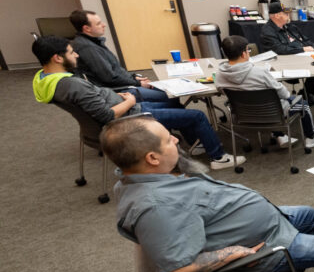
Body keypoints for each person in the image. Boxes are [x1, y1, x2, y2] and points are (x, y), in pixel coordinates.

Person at [102, 117, 314, 272]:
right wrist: (233, 253)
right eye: (168, 139)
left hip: (264, 229)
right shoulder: (156, 207)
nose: (175, 139)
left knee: (308, 215)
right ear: (151, 158)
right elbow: (176, 267)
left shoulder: (140, 177)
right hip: (258, 253)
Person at [31, 35, 243, 170]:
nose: (76, 54)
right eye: (71, 52)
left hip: (126, 109)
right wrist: (131, 98)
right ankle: (219, 157)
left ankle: (197, 144)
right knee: (197, 115)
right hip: (129, 119)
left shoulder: (44, 79)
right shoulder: (72, 85)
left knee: (175, 103)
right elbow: (106, 115)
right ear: (57, 58)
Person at [215, 34, 314, 149]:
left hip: (242, 114)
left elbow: (222, 91)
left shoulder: (219, 75)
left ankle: (280, 135)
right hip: (271, 113)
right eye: (248, 50)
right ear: (243, 54)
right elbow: (284, 94)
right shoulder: (260, 73)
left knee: (265, 99)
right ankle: (311, 138)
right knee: (303, 104)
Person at [69, 9, 175, 104]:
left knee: (168, 91)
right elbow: (109, 77)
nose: (104, 25)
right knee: (170, 95)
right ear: (87, 28)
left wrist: (134, 77)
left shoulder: (93, 43)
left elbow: (115, 69)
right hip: (118, 91)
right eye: (99, 23)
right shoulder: (88, 48)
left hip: (121, 84)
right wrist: (138, 83)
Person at [257, 1, 314, 103]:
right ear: (277, 15)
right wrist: (302, 48)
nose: (289, 16)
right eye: (286, 14)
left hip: (298, 58)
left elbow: (306, 41)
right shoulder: (267, 31)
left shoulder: (290, 27)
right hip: (281, 63)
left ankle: (307, 93)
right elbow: (280, 50)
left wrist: (311, 47)